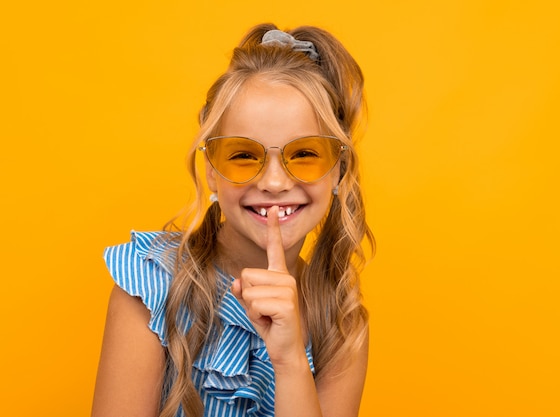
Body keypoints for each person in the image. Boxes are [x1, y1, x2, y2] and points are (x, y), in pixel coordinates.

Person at [92, 23, 375, 417]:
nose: (274, 182)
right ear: (211, 170)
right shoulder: (150, 287)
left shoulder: (341, 326)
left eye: (305, 154)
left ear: (338, 171)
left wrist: (291, 360)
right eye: (243, 156)